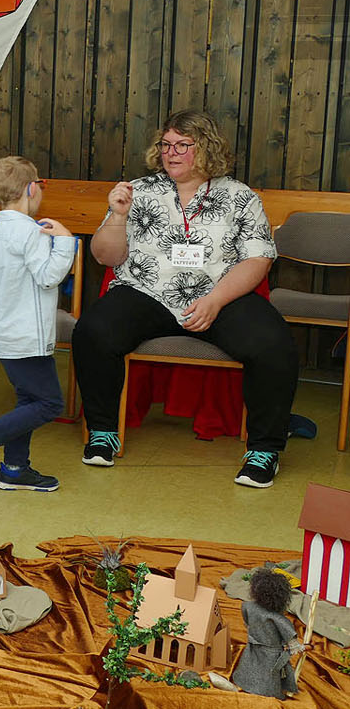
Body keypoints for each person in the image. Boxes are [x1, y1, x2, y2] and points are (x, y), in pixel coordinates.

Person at [72, 108, 296, 488]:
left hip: (219, 295)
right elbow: (105, 257)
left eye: (182, 145)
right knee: (94, 330)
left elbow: (258, 259)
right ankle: (103, 433)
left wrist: (215, 300)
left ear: (206, 147)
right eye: (165, 144)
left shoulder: (240, 197)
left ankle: (264, 450)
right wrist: (118, 216)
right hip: (147, 291)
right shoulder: (139, 191)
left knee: (274, 343)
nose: (170, 153)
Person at [0, 156, 77, 493]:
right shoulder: (32, 233)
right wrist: (65, 241)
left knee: (28, 399)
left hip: (4, 337)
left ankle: (14, 469)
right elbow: (49, 276)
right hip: (29, 338)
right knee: (49, 403)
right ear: (32, 188)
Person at [232, 568, 304, 697]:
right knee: (268, 676)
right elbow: (294, 645)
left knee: (250, 668)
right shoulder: (279, 619)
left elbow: (247, 622)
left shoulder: (248, 606)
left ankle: (244, 683)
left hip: (252, 648)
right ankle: (265, 691)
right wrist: (305, 647)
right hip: (271, 655)